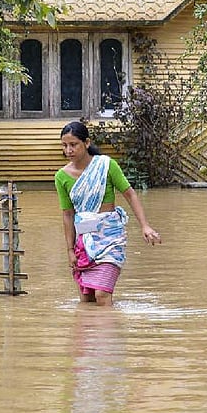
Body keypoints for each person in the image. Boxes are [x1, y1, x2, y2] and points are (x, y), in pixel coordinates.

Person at [55, 121, 160, 307]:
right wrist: (70, 250)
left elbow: (130, 194)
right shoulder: (61, 177)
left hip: (110, 239)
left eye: (73, 144)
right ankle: (88, 334)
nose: (69, 150)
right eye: (65, 146)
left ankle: (107, 333)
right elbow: (68, 215)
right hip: (83, 243)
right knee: (86, 300)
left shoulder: (106, 165)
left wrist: (145, 225)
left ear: (86, 143)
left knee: (102, 295)